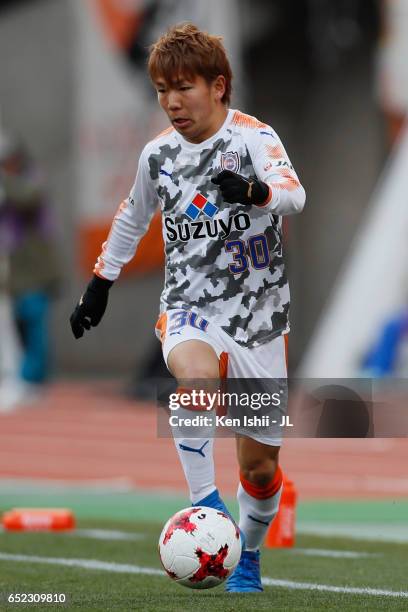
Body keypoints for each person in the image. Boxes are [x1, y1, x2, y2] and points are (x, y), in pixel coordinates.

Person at [70, 23, 305, 592]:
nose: (171, 102)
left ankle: (246, 555)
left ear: (218, 86)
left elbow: (295, 195)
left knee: (260, 469)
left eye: (184, 87)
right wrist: (100, 284)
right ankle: (205, 500)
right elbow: (130, 219)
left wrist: (255, 194)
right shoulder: (158, 156)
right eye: (161, 90)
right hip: (188, 309)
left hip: (259, 321)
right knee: (194, 377)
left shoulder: (254, 138)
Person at [0, 134, 60, 407]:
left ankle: (32, 380)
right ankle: (25, 378)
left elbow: (27, 199)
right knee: (18, 325)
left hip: (35, 269)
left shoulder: (31, 179)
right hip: (13, 269)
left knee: (34, 321)